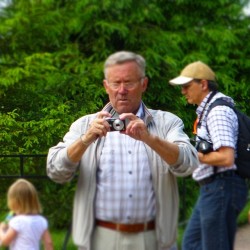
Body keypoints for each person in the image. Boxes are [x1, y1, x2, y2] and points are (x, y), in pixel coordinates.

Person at [47, 51, 199, 250]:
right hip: (100, 238)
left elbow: (188, 164)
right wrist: (85, 140)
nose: (121, 90)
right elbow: (56, 170)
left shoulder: (166, 122)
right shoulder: (86, 125)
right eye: (115, 83)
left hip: (154, 238)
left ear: (143, 84)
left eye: (129, 82)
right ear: (105, 86)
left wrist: (149, 138)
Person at [169, 61, 248, 250]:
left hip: (221, 186)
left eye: (187, 86)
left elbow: (226, 157)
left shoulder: (217, 112)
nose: (183, 92)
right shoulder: (210, 110)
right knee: (191, 243)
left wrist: (195, 155)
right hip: (216, 188)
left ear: (203, 84)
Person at [0, 179, 53, 250]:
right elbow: (49, 243)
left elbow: (6, 241)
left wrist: (1, 229)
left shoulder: (17, 221)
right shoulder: (41, 220)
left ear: (15, 203)